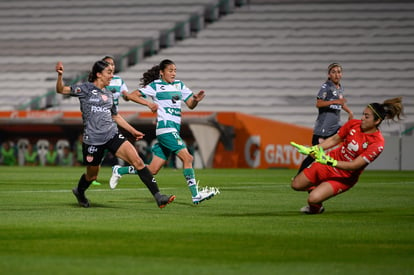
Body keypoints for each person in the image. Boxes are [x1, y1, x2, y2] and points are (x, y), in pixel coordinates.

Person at [55, 60, 175, 208]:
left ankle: (159, 197)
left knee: (137, 161)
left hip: (112, 135)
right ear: (99, 74)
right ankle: (79, 192)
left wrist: (132, 130)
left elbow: (115, 116)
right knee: (92, 176)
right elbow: (61, 90)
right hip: (93, 140)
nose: (112, 76)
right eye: (109, 73)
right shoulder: (85, 89)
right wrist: (60, 76)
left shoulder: (109, 93)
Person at [109, 59, 219, 205]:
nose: (173, 73)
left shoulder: (179, 85)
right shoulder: (156, 86)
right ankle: (196, 195)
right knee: (188, 158)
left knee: (152, 170)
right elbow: (132, 95)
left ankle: (119, 171)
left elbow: (190, 105)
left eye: (175, 70)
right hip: (166, 128)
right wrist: (149, 103)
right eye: (170, 70)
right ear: (162, 72)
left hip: (174, 128)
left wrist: (196, 100)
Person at [291, 97, 403, 214]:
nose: (362, 118)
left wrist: (330, 161)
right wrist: (312, 149)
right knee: (296, 185)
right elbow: (334, 139)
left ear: (377, 121)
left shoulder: (377, 143)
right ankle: (317, 188)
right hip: (328, 163)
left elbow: (354, 165)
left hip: (344, 177)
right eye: (363, 114)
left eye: (366, 116)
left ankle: (316, 208)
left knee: (313, 199)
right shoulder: (353, 124)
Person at [297, 63, 353, 175]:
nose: (337, 74)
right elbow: (318, 104)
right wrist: (333, 101)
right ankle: (299, 176)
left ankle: (343, 170)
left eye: (339, 72)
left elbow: (340, 103)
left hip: (335, 126)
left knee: (349, 138)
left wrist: (349, 112)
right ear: (329, 75)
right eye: (334, 72)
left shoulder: (340, 88)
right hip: (323, 128)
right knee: (313, 155)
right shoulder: (325, 87)